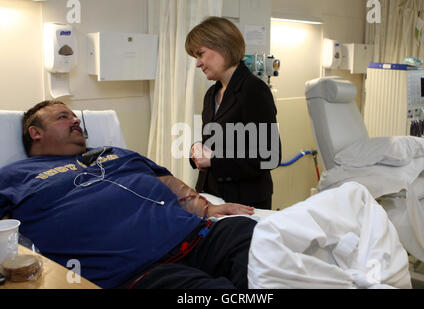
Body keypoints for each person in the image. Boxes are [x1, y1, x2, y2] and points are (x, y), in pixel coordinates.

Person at [0, 100, 257, 289]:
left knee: (248, 235)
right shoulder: (14, 176)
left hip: (198, 238)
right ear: (36, 133)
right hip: (142, 272)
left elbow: (165, 180)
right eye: (63, 117)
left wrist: (204, 207)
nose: (76, 120)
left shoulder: (113, 153)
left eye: (75, 116)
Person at [185, 17, 281, 210]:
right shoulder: (212, 94)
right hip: (211, 197)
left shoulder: (254, 90)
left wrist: (213, 160)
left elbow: (269, 155)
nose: (198, 63)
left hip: (244, 202)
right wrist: (196, 150)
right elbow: (214, 145)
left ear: (222, 46)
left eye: (201, 54)